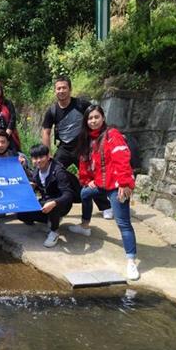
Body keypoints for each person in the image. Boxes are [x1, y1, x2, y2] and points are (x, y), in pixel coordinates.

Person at [69, 105, 140, 280]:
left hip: (116, 185)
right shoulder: (88, 139)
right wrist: (87, 180)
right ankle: (85, 226)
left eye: (96, 117)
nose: (93, 121)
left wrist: (125, 183)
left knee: (123, 223)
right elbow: (84, 162)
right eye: (90, 118)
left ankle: (131, 261)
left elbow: (122, 158)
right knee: (85, 194)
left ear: (103, 118)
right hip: (101, 183)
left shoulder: (112, 135)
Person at [41, 76, 112, 218]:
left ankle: (106, 206)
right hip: (64, 148)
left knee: (92, 176)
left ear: (70, 89)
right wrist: (47, 153)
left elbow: (96, 119)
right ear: (55, 91)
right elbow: (46, 131)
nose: (61, 91)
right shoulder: (52, 110)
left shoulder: (81, 105)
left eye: (64, 88)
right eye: (58, 88)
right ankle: (51, 202)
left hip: (83, 147)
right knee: (52, 173)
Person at [17, 144, 75, 248]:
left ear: (48, 157)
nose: (38, 161)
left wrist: (54, 203)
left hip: (62, 204)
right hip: (46, 201)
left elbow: (68, 194)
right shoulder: (36, 171)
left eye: (41, 157)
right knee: (21, 214)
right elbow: (33, 181)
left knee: (51, 205)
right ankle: (51, 219)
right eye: (35, 158)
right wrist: (33, 185)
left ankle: (54, 231)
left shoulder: (58, 171)